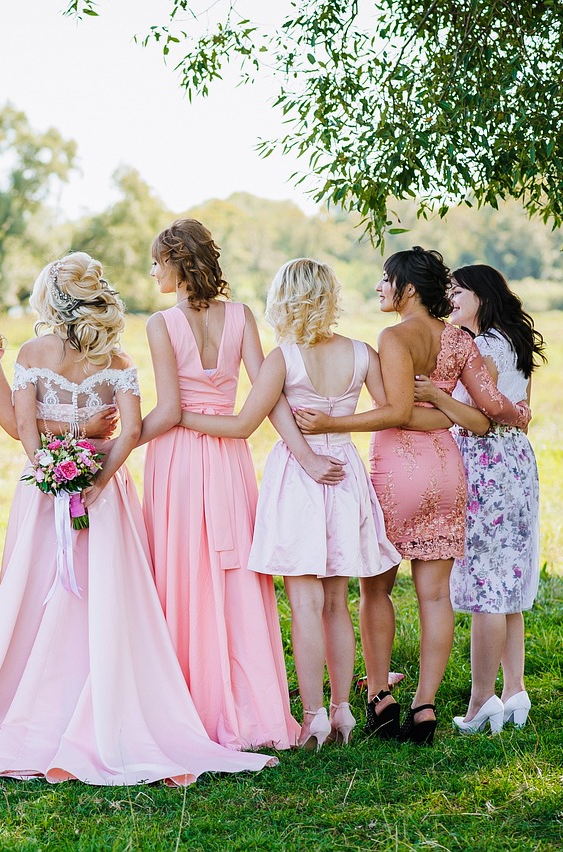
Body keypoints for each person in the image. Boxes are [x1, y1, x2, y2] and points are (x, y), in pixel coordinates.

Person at [0, 252, 274, 785]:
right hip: (105, 499)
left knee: (35, 595)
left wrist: (53, 472)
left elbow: (21, 425)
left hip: (42, 493)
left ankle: (24, 705)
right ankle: (104, 709)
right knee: (105, 601)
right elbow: (130, 432)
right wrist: (95, 477)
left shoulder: (32, 351)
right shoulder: (117, 360)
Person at [294, 247, 529, 745]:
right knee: (436, 595)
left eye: (386, 280)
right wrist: (445, 411)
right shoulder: (459, 340)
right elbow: (481, 419)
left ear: (408, 288)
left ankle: (380, 693)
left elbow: (396, 411)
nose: (380, 288)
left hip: (397, 471)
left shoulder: (393, 337)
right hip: (447, 472)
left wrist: (334, 422)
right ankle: (424, 705)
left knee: (376, 589)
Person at [181, 258, 407, 749]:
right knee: (337, 602)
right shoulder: (361, 352)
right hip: (344, 473)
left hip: (299, 480)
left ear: (284, 299)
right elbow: (391, 412)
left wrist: (185, 417)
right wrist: (336, 428)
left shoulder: (283, 359)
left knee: (303, 604)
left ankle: (315, 716)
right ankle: (346, 711)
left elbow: (244, 422)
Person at [137, 218, 299, 750]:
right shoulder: (242, 317)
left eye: (158, 261)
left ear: (179, 264)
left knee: (183, 569)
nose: (153, 270)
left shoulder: (162, 325)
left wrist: (116, 448)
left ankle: (189, 703)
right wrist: (300, 447)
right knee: (233, 574)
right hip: (228, 455)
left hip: (179, 458)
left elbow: (170, 410)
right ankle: (251, 709)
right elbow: (267, 391)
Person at [411, 264, 543, 735]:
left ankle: (480, 700)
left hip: (486, 462)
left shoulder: (482, 346)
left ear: (481, 297)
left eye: (458, 290)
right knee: (507, 584)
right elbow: (522, 410)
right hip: (517, 462)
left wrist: (435, 396)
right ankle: (515, 690)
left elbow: (481, 415)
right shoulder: (514, 341)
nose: (451, 297)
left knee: (489, 586)